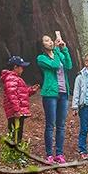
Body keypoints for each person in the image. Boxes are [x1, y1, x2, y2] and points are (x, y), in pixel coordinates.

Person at [37, 31, 73, 164]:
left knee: (61, 125)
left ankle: (59, 153)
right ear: (42, 44)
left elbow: (68, 65)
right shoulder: (41, 58)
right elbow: (54, 65)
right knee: (50, 124)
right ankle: (49, 154)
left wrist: (64, 49)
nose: (50, 42)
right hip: (50, 94)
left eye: (51, 40)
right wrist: (58, 51)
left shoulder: (59, 54)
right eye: (46, 40)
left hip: (64, 94)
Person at [0, 55, 40, 145]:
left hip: (18, 111)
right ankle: (13, 154)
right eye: (21, 67)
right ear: (15, 67)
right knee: (15, 132)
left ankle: (16, 152)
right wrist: (16, 110)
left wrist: (31, 90)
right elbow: (12, 95)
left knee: (18, 132)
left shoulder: (16, 79)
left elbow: (21, 93)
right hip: (15, 112)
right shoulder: (11, 79)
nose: (23, 69)